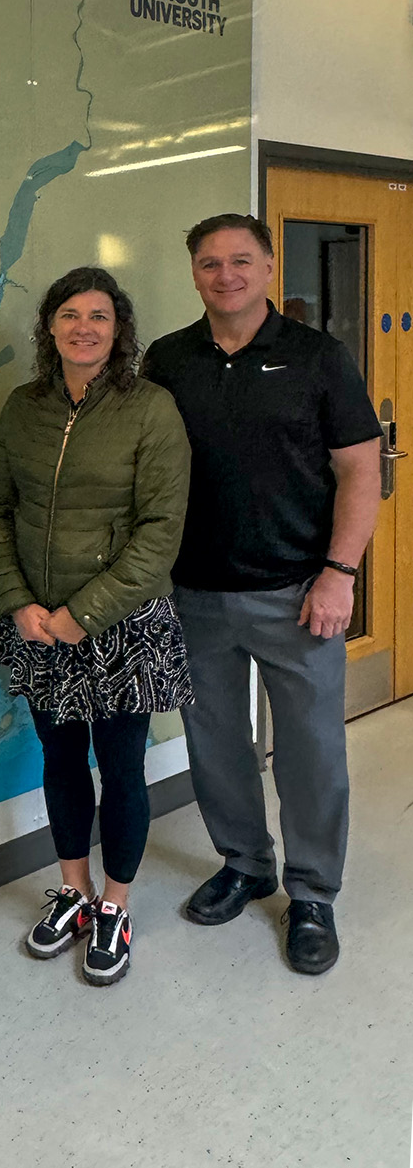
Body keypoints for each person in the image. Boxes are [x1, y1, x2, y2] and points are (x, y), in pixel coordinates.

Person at [143, 213, 381, 976]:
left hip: (299, 594)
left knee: (311, 750)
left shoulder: (319, 357)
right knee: (215, 745)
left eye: (241, 261)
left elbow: (359, 468)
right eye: (209, 263)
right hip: (196, 594)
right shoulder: (168, 359)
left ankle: (312, 893)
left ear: (270, 268)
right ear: (194, 274)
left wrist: (340, 573)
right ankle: (246, 863)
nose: (226, 275)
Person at [0, 266, 192, 986]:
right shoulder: (22, 408)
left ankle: (114, 904)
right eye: (70, 313)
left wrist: (84, 614)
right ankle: (73, 889)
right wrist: (20, 602)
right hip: (38, 621)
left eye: (99, 315)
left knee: (122, 765)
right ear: (50, 326)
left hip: (123, 623)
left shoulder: (151, 409)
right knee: (61, 758)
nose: (84, 327)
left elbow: (161, 533)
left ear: (118, 330)